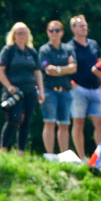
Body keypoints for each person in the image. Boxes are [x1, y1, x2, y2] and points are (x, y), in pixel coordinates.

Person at [0, 22, 45, 155]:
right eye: (19, 33)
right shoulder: (9, 50)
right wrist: (9, 86)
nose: (22, 36)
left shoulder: (31, 51)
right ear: (14, 35)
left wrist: (41, 90)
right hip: (14, 91)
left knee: (26, 121)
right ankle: (3, 149)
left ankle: (21, 151)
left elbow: (37, 72)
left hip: (30, 90)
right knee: (13, 119)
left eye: (24, 33)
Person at [68, 15, 101, 161]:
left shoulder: (93, 44)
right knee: (79, 123)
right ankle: (82, 157)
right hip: (78, 89)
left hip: (96, 89)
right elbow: (67, 67)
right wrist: (72, 84)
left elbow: (100, 64)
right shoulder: (69, 47)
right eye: (80, 26)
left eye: (85, 25)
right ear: (73, 29)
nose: (84, 28)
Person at [38, 21, 76, 154]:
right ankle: (50, 154)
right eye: (51, 30)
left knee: (64, 124)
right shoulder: (44, 50)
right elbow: (48, 70)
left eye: (57, 30)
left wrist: (57, 69)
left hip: (65, 90)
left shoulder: (68, 49)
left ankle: (64, 155)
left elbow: (74, 68)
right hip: (49, 90)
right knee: (49, 122)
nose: (54, 33)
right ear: (47, 32)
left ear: (62, 32)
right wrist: (65, 68)